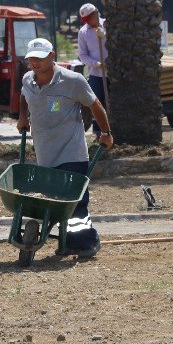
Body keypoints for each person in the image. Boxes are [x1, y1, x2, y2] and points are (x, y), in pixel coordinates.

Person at [17, 37, 114, 258]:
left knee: (75, 204)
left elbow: (95, 104)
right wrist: (23, 117)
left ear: (52, 57)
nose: (35, 63)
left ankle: (87, 242)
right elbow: (23, 97)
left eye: (40, 59)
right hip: (45, 153)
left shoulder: (73, 80)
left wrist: (106, 133)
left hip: (71, 152)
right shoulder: (27, 81)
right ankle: (67, 241)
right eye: (31, 59)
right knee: (54, 202)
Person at [76, 2, 108, 135]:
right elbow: (82, 55)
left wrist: (105, 35)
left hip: (113, 74)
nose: (87, 22)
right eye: (85, 20)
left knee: (112, 103)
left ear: (96, 14)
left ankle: (113, 131)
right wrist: (96, 64)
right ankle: (99, 134)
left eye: (89, 18)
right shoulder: (83, 32)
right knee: (97, 103)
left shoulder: (107, 25)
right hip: (96, 75)